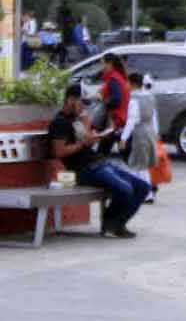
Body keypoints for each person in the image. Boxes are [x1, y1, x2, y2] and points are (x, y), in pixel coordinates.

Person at [48, 82, 150, 239]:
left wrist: (93, 133)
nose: (85, 107)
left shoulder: (78, 118)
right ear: (70, 100)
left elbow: (85, 139)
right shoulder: (59, 123)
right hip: (84, 170)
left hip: (99, 163)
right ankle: (110, 223)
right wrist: (84, 143)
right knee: (126, 189)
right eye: (83, 102)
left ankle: (117, 223)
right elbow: (59, 151)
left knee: (143, 187)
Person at [122, 71, 160, 201]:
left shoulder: (134, 99)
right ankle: (145, 192)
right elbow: (154, 116)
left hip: (139, 132)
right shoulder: (150, 96)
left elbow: (132, 120)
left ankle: (143, 193)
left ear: (132, 84)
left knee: (136, 164)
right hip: (149, 131)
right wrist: (156, 133)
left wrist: (123, 137)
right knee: (143, 164)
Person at [101, 53, 132, 135]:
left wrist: (102, 100)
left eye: (103, 64)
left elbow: (116, 99)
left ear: (110, 64)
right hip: (121, 118)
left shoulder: (113, 79)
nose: (102, 67)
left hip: (117, 119)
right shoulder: (119, 76)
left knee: (105, 145)